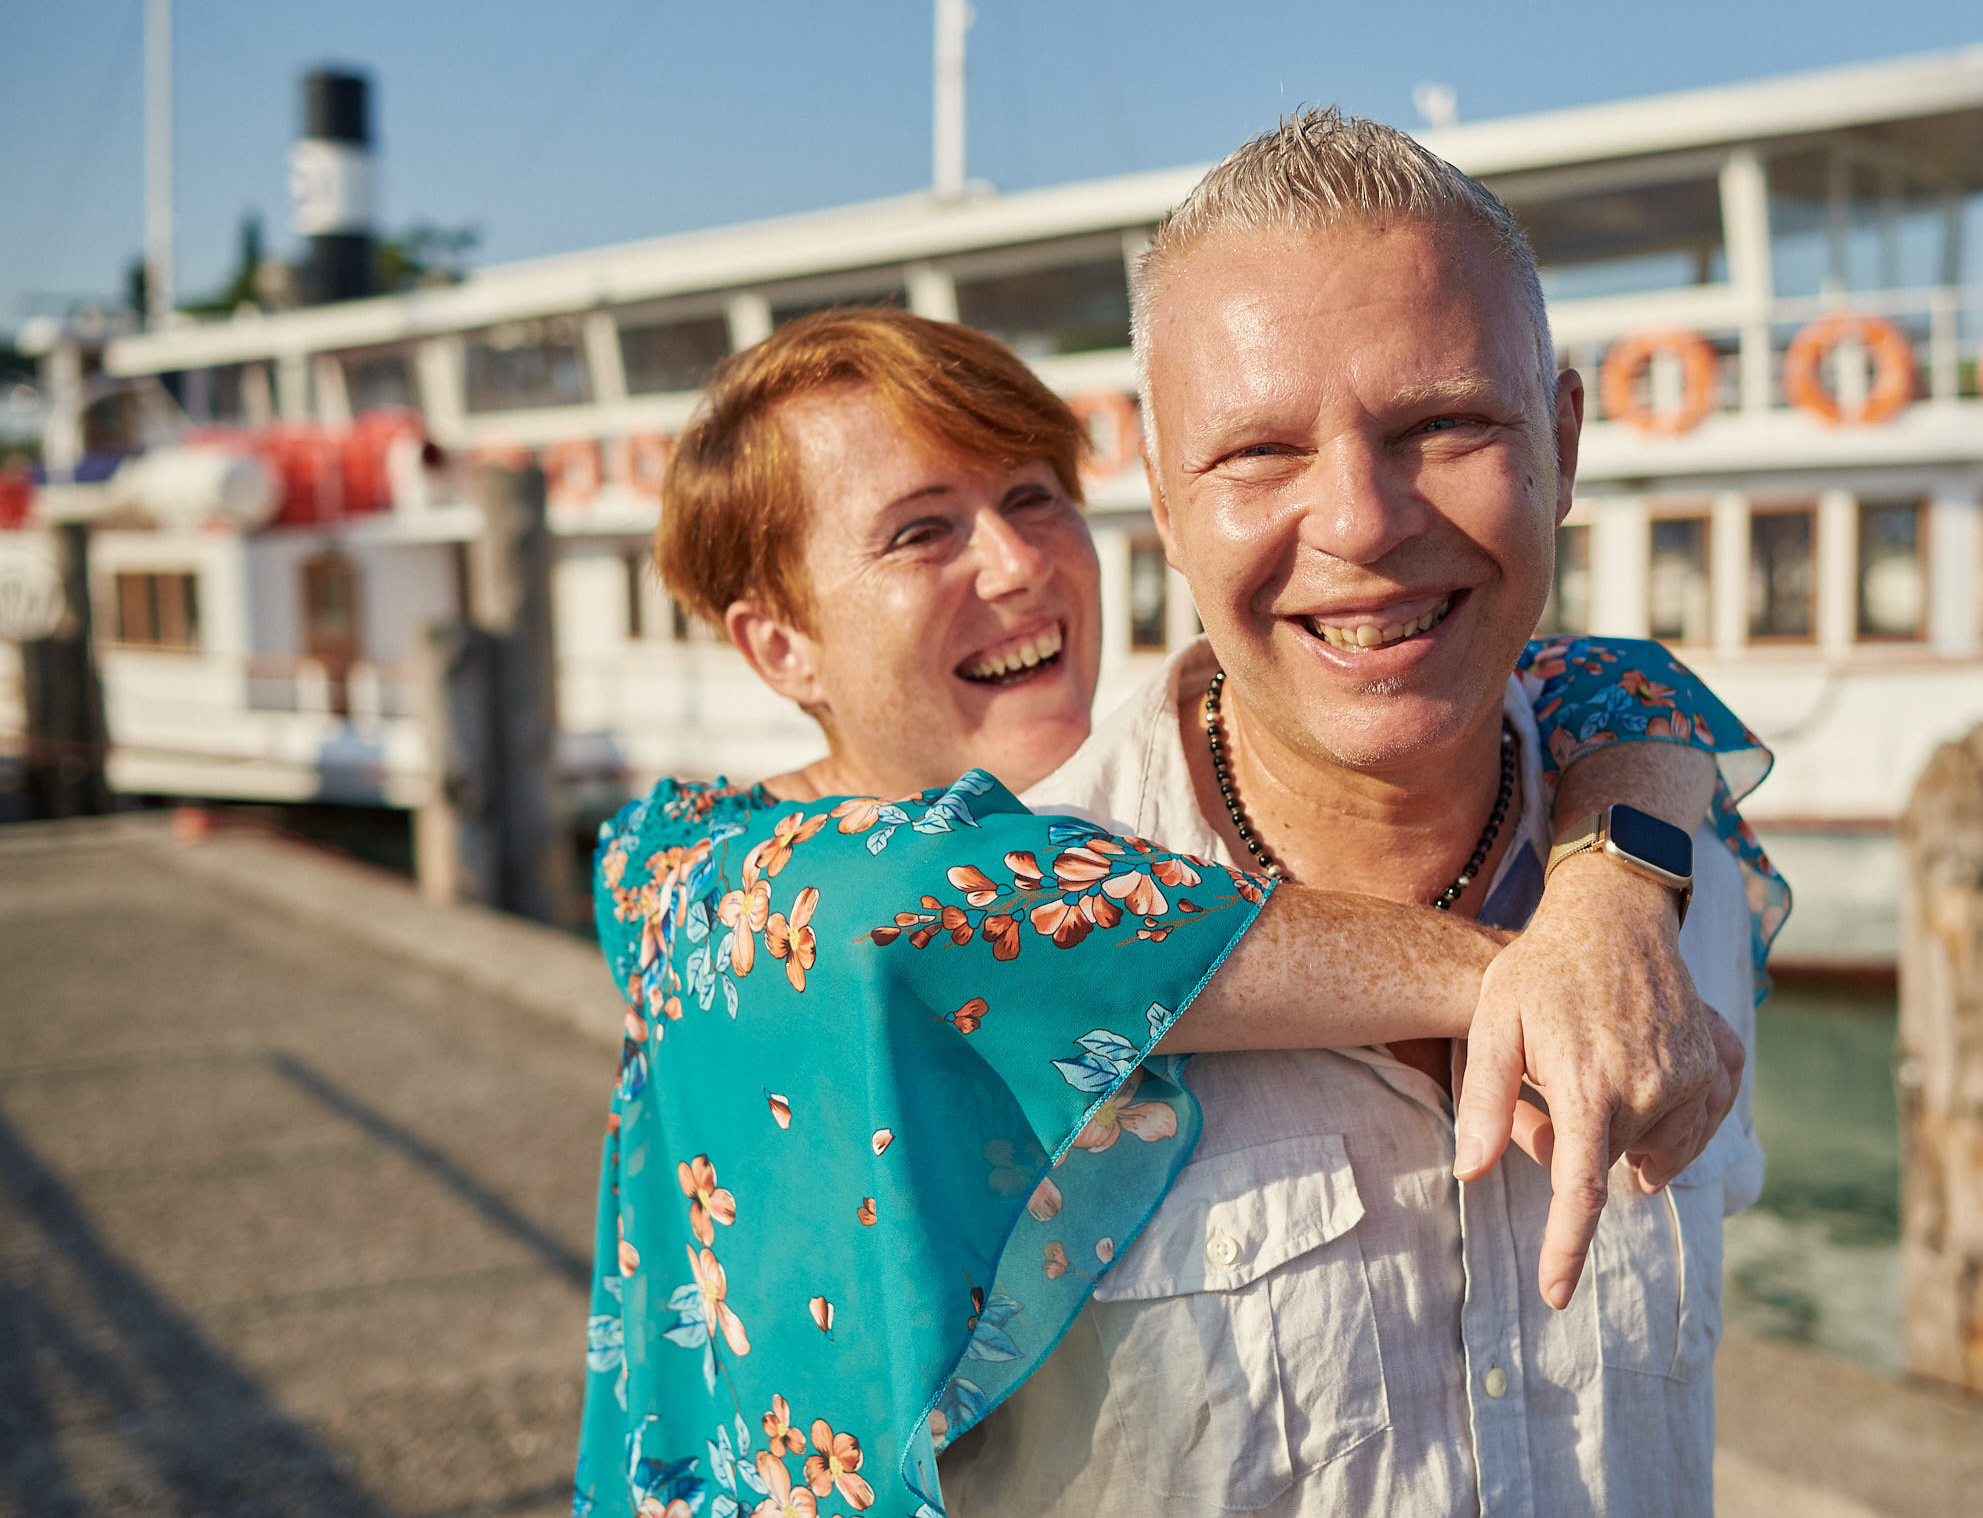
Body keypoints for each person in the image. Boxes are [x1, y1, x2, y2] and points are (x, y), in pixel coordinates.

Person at [572, 310, 1761, 1517]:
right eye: (921, 531)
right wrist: (1539, 973)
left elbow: (1614, 681)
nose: (1016, 562)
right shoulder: (719, 893)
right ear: (781, 648)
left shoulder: (1065, 828)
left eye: (1034, 496)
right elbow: (945, 920)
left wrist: (1611, 888)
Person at [935, 110, 1790, 1515]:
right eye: (1259, 453)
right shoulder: (996, 952)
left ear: (1561, 445)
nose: (1361, 521)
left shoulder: (1669, 861)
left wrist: (1626, 865)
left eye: (1445, 424)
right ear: (1161, 497)